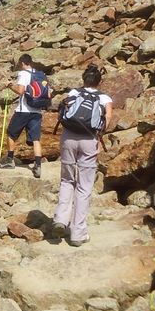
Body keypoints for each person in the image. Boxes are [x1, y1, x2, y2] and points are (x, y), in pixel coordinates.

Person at [52, 64, 113, 247]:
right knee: (84, 186)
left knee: (67, 180)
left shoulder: (73, 93)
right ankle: (78, 233)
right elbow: (107, 120)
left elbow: (62, 113)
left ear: (83, 79)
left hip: (68, 138)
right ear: (99, 81)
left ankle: (61, 219)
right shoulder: (104, 98)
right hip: (89, 140)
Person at [0, 53, 45, 178]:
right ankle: (38, 164)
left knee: (11, 133)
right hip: (37, 110)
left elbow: (20, 91)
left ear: (22, 63)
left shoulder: (23, 74)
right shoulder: (39, 75)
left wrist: (10, 85)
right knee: (36, 139)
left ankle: (10, 160)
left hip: (23, 110)